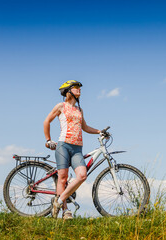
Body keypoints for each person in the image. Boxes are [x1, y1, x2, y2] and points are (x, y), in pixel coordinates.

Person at [43, 80, 101, 219]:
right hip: (64, 145)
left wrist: (100, 131)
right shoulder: (61, 106)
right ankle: (65, 211)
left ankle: (59, 201)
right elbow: (47, 121)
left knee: (82, 176)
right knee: (62, 179)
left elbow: (85, 128)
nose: (79, 90)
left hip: (77, 148)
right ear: (69, 91)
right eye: (76, 88)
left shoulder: (79, 110)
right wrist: (48, 140)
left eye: (79, 88)